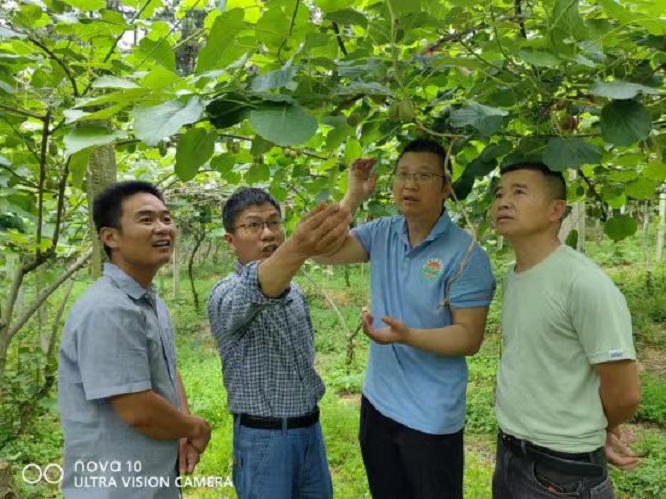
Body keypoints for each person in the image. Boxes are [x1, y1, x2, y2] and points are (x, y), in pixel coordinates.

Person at [315, 139, 496, 499]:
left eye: (424, 176)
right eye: (402, 174)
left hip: (430, 415)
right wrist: (353, 197)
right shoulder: (383, 233)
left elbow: (468, 337)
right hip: (379, 402)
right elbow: (320, 252)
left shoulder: (466, 255)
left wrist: (407, 335)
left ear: (446, 188)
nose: (409, 184)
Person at [490, 162, 641, 498]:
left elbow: (626, 394)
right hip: (511, 454)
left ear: (556, 210)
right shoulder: (514, 277)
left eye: (519, 192)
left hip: (561, 473)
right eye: (499, 193)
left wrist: (594, 428)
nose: (503, 202)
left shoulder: (583, 283)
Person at [58, 181, 211, 499]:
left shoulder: (149, 301)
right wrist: (195, 427)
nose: (162, 228)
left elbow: (168, 369)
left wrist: (181, 429)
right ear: (110, 237)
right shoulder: (109, 309)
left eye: (166, 218)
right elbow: (137, 409)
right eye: (146, 219)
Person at [207, 187, 350, 499]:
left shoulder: (294, 291)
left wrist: (355, 194)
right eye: (253, 225)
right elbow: (257, 286)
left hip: (309, 431)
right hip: (264, 440)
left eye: (274, 222)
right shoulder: (225, 293)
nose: (268, 233)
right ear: (230, 240)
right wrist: (298, 245)